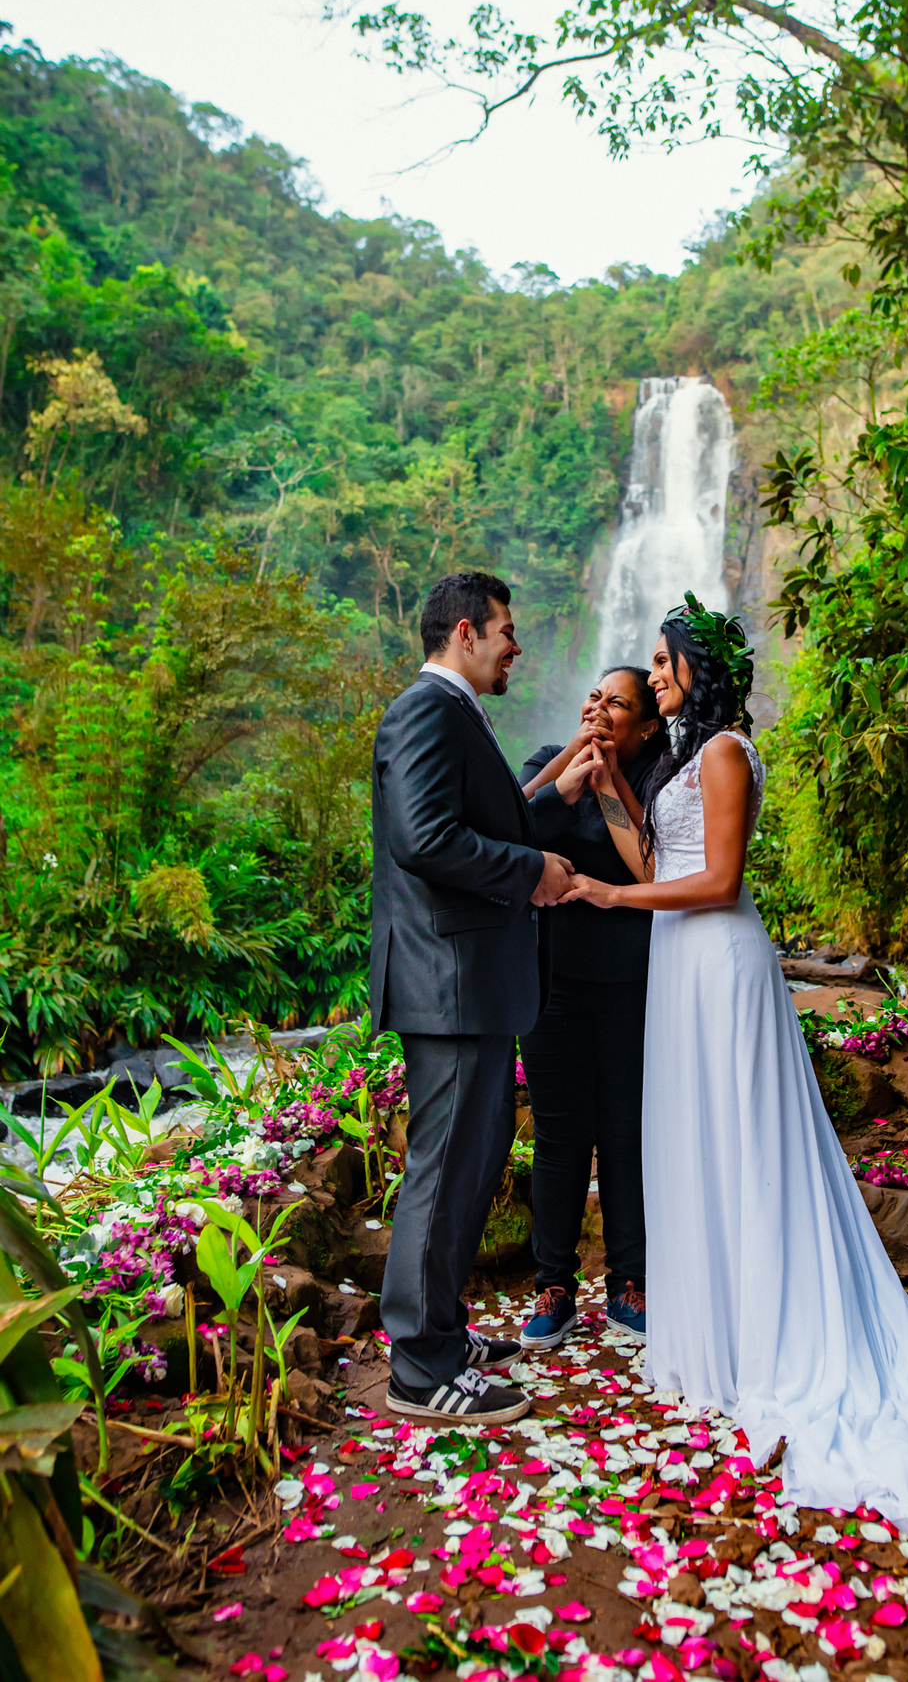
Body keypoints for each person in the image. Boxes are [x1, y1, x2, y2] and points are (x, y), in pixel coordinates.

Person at [559, 594, 908, 1541]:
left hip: (721, 956)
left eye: (663, 659)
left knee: (744, 1137)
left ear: (700, 665)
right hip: (676, 962)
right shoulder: (681, 760)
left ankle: (777, 1335)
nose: (652, 674)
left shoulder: (729, 752)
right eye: (650, 661)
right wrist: (613, 784)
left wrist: (613, 896)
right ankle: (722, 1336)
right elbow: (657, 852)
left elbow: (719, 878)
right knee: (695, 1138)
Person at [370, 570, 575, 1427]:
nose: (515, 646)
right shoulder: (426, 710)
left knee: (470, 1165)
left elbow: (475, 822)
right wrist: (531, 873)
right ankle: (419, 1368)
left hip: (472, 986)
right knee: (445, 1170)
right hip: (448, 985)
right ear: (464, 632)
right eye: (505, 630)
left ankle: (444, 1333)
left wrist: (552, 803)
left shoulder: (456, 714)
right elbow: (424, 838)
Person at [515, 668, 670, 1350]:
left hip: (631, 982)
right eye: (594, 698)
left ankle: (628, 1281)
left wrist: (607, 786)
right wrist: (567, 769)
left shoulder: (655, 783)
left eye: (618, 703)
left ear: (646, 726)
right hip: (550, 983)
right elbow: (512, 824)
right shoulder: (544, 762)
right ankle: (554, 1283)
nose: (600, 710)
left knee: (626, 1132)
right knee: (559, 1135)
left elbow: (651, 866)